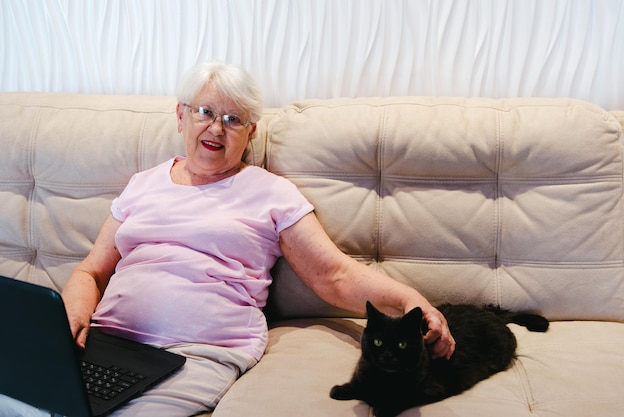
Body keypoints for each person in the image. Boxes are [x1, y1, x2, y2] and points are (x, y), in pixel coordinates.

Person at [0, 62, 454, 417]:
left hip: (198, 355)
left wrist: (411, 299)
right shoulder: (143, 184)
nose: (217, 127)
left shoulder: (269, 191)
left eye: (234, 119)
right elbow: (92, 270)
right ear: (181, 116)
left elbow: (334, 275)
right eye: (205, 112)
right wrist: (73, 315)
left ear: (250, 132)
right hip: (109, 345)